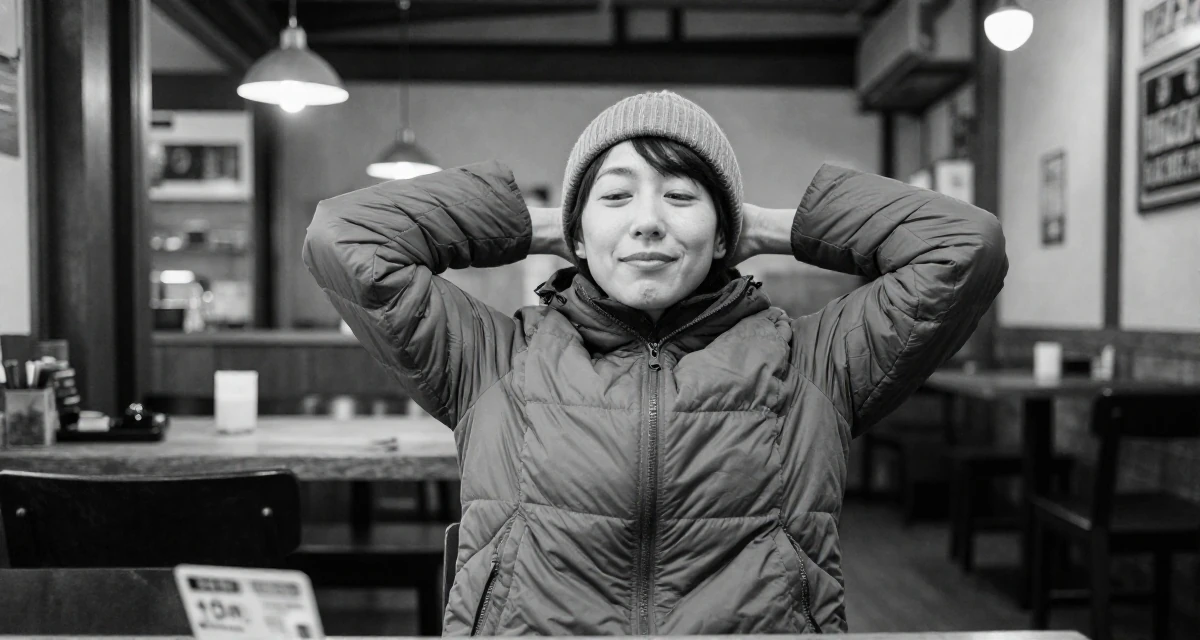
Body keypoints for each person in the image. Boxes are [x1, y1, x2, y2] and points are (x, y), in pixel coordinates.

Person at [303, 90, 1007, 635]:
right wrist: (538, 225)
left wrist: (772, 224)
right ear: (577, 231)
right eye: (615, 197)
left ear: (723, 230)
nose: (648, 220)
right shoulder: (493, 358)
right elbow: (345, 236)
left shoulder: (815, 363)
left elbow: (965, 247)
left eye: (680, 196)